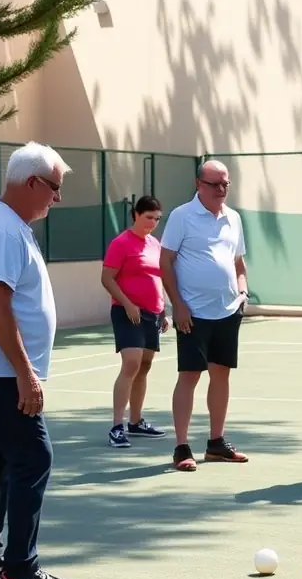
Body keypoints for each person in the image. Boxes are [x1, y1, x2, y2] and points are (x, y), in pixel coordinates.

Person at [0, 141, 77, 579]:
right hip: (2, 370)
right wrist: (26, 374)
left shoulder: (6, 225)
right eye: (54, 188)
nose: (57, 198)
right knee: (33, 458)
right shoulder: (6, 231)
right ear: (31, 183)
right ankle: (20, 571)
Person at [159, 160, 249, 472]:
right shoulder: (182, 216)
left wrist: (243, 292)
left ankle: (216, 444)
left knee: (221, 375)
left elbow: (238, 262)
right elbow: (166, 261)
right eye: (215, 184)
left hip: (227, 312)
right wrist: (178, 305)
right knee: (190, 375)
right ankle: (182, 447)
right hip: (192, 314)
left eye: (225, 184)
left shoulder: (233, 218)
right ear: (199, 184)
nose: (221, 190)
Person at [100, 195, 170, 448]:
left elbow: (158, 278)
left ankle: (136, 421)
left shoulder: (155, 244)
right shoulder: (121, 243)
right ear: (135, 215)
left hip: (152, 313)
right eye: (148, 217)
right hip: (127, 312)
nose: (152, 223)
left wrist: (164, 311)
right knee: (131, 363)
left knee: (145, 365)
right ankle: (117, 426)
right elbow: (107, 278)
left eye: (157, 219)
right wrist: (128, 304)